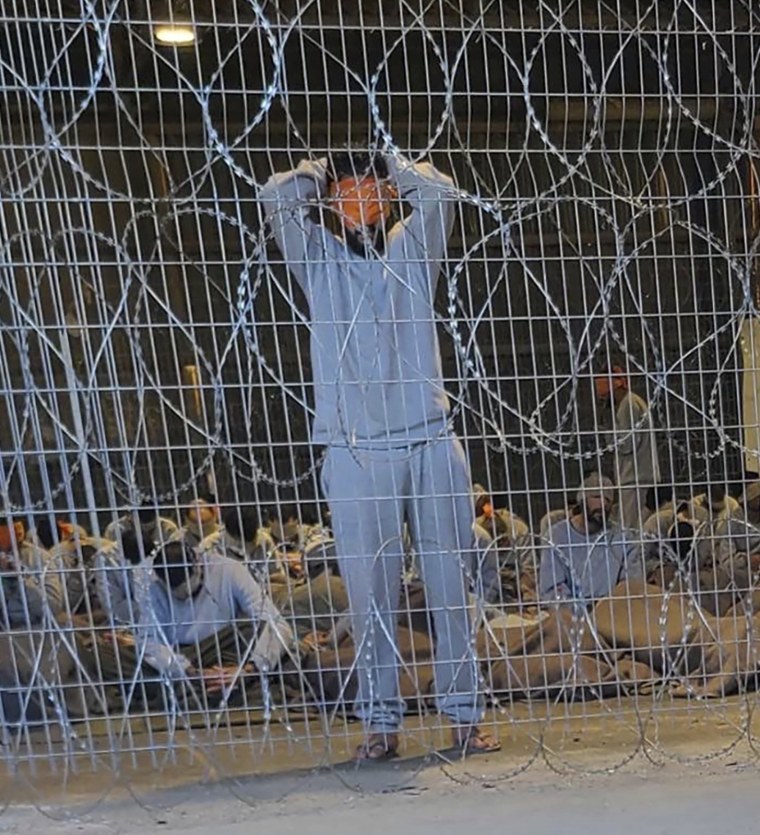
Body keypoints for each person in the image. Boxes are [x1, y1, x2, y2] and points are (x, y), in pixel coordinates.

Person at [261, 147, 499, 758]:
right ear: (331, 204)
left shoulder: (413, 253)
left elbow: (442, 193)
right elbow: (274, 197)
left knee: (451, 584)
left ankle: (465, 715)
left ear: (389, 197)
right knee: (371, 594)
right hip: (354, 449)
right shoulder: (319, 262)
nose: (359, 200)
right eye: (347, 191)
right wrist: (318, 175)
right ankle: (380, 723)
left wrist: (393, 169)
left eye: (370, 189)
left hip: (427, 437)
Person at [133, 541, 295, 695]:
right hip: (181, 656)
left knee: (259, 631)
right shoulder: (153, 584)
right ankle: (206, 688)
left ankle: (226, 682)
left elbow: (278, 624)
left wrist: (249, 669)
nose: (182, 595)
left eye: (187, 586)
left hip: (225, 648)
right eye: (174, 590)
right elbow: (149, 642)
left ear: (197, 565)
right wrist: (189, 671)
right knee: (119, 658)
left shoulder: (228, 570)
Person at [538, 473, 642, 606]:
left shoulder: (623, 539)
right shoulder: (557, 536)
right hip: (570, 618)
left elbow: (632, 586)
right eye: (597, 497)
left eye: (608, 499)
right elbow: (551, 589)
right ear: (582, 500)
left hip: (613, 614)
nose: (603, 504)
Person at [595, 366, 660, 531]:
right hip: (641, 477)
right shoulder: (634, 402)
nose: (604, 401)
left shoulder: (627, 405)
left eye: (605, 396)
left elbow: (626, 445)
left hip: (635, 479)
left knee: (631, 531)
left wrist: (607, 431)